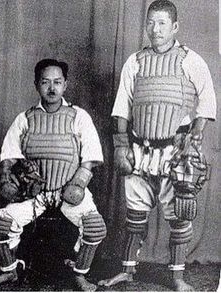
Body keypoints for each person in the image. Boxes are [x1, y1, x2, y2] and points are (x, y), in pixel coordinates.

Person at [98, 0, 216, 291]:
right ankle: (127, 272)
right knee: (135, 217)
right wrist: (121, 147)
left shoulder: (191, 61)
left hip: (174, 153)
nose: (155, 28)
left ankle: (177, 277)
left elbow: (207, 103)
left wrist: (194, 139)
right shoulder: (135, 60)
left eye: (162, 23)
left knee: (179, 216)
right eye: (151, 22)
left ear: (175, 26)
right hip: (139, 149)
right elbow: (121, 108)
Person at [0, 58, 106, 291]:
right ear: (36, 85)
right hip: (35, 193)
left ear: (65, 85)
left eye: (57, 82)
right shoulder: (25, 118)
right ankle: (10, 272)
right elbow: (8, 155)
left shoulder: (78, 116)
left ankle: (80, 275)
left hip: (68, 187)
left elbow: (90, 157)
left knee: (94, 227)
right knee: (2, 224)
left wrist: (79, 183)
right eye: (45, 82)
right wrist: (6, 179)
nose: (52, 88)